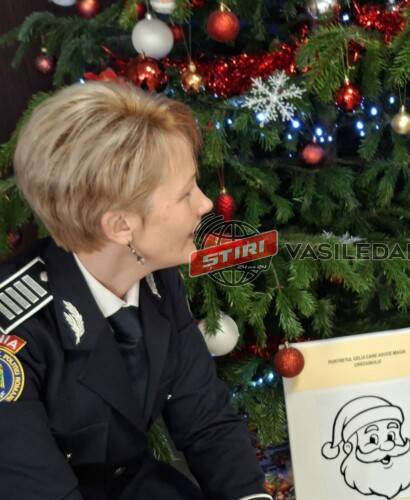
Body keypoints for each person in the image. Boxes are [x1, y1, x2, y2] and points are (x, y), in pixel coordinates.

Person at [0, 81, 272, 500]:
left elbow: (207, 423)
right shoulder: (14, 329)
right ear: (120, 226)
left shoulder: (156, 277)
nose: (205, 204)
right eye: (185, 193)